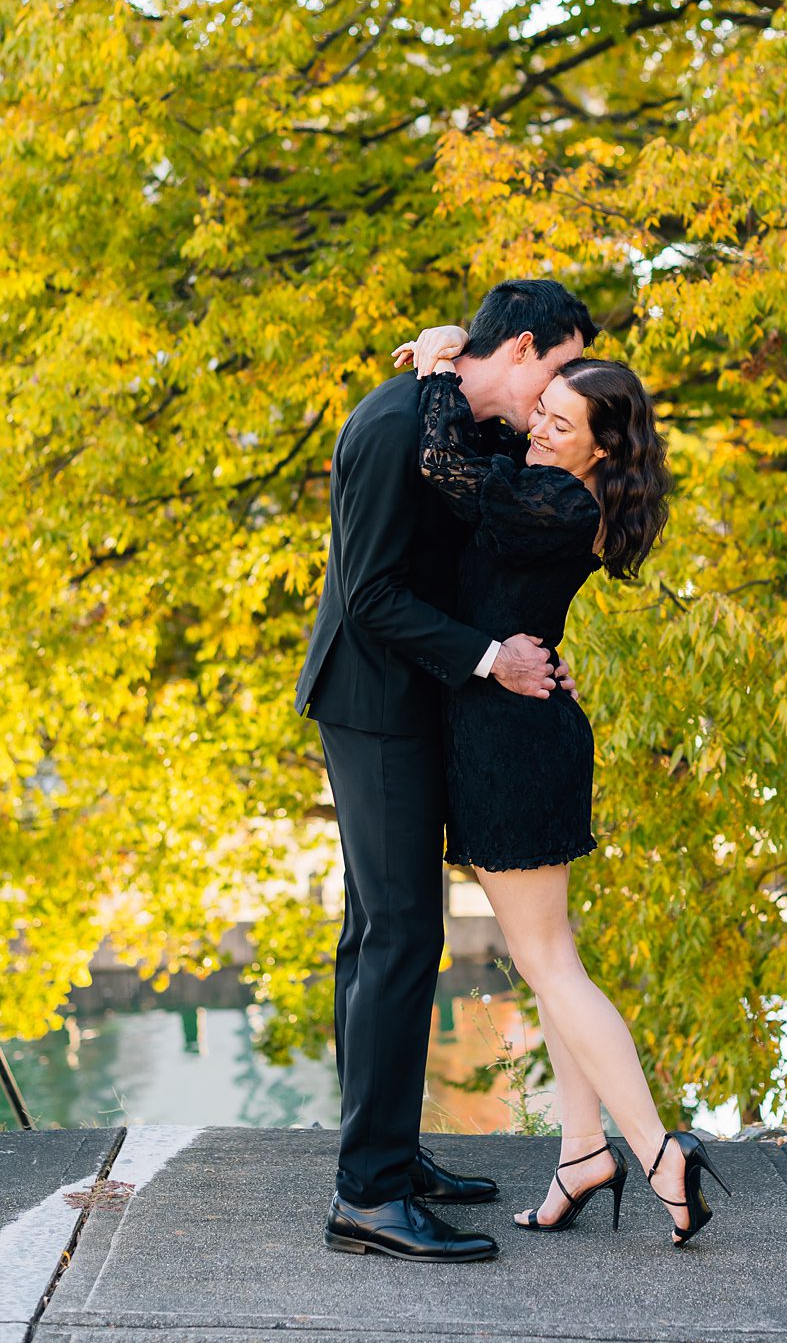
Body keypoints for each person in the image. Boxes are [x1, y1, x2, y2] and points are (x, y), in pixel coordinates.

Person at [397, 322, 732, 1248]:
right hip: (522, 731)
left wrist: (436, 369)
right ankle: (583, 1153)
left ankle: (660, 1155)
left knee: (549, 964)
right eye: (539, 409)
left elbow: (450, 468)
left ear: (602, 444)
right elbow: (492, 475)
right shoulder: (567, 496)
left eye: (559, 420)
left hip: (509, 746)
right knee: (555, 957)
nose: (537, 427)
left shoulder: (551, 502)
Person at [294, 278, 596, 1264]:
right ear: (518, 348)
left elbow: (492, 544)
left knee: (373, 934)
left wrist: (527, 642)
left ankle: (385, 1155)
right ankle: (368, 1197)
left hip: (413, 703)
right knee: (400, 936)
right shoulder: (391, 427)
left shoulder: (466, 425)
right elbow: (372, 595)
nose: (565, 390)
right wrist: (491, 659)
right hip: (375, 709)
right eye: (558, 367)